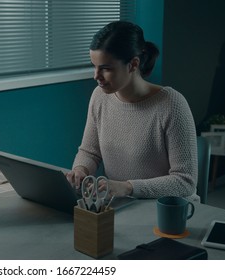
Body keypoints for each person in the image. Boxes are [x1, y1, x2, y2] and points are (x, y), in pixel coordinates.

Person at [66, 21, 199, 202]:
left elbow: (185, 182)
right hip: (119, 204)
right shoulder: (99, 96)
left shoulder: (171, 104)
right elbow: (90, 152)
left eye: (106, 68)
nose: (96, 76)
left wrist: (128, 187)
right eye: (94, 66)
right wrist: (81, 169)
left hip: (164, 210)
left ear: (133, 64)